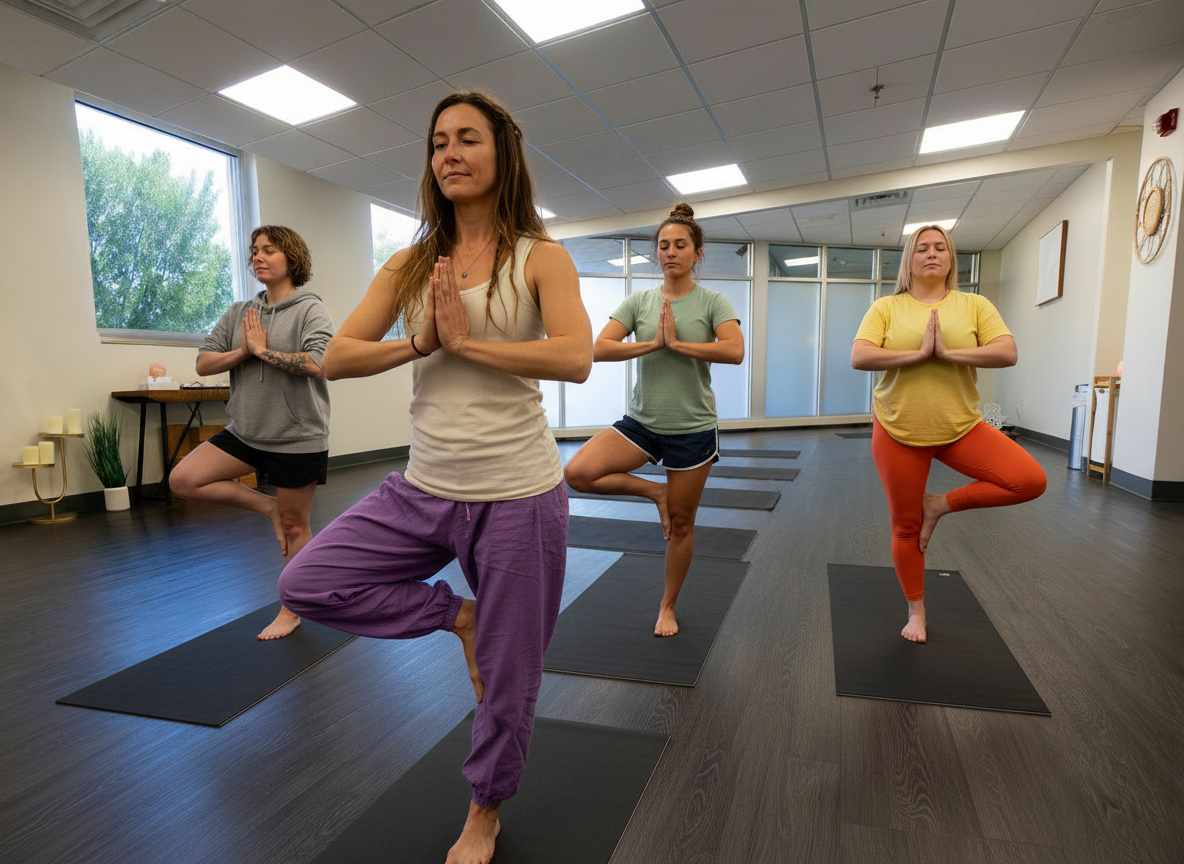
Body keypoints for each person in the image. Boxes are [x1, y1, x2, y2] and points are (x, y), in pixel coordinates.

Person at [276, 91, 592, 864]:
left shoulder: (540, 257)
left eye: (468, 139)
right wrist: (421, 343)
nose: (450, 153)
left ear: (502, 155)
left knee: (511, 681)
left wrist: (471, 343)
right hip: (422, 489)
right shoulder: (412, 263)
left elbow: (575, 356)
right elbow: (338, 357)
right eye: (438, 142)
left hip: (519, 495)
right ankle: (460, 616)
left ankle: (484, 809)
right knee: (307, 582)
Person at [851, 224, 1046, 643]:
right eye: (922, 248)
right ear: (910, 260)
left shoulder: (974, 304)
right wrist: (918, 354)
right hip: (898, 429)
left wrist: (947, 354)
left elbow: (1007, 351)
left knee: (1030, 480)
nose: (932, 254)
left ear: (951, 258)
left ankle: (937, 505)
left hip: (961, 426)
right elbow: (860, 355)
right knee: (905, 527)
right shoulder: (887, 307)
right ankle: (916, 611)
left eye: (941, 247)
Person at [563, 203, 745, 638]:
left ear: (697, 252)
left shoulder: (713, 301)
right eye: (663, 245)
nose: (670, 252)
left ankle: (667, 605)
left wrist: (679, 344)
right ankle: (656, 493)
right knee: (578, 473)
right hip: (642, 422)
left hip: (693, 427)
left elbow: (734, 350)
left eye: (680, 245)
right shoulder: (640, 301)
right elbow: (601, 348)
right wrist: (651, 345)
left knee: (682, 525)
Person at [169, 225, 333, 641]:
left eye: (269, 250)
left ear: (291, 259)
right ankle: (268, 508)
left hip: (297, 436)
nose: (258, 257)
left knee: (297, 527)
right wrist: (244, 350)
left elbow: (319, 363)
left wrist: (264, 353)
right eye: (254, 251)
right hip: (246, 429)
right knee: (183, 479)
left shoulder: (310, 310)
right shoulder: (241, 312)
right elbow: (204, 364)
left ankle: (292, 609)